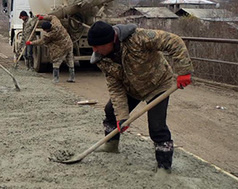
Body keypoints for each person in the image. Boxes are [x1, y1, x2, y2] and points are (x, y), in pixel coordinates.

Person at [87, 20, 193, 174]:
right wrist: (122, 116)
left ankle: (164, 166)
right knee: (111, 111)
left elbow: (173, 41)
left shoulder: (138, 38)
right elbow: (115, 87)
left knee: (157, 127)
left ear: (110, 41)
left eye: (97, 46)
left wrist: (184, 71)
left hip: (158, 84)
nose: (94, 50)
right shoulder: (102, 59)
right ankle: (111, 145)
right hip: (132, 88)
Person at [26, 14, 75, 83]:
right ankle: (72, 77)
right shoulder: (56, 23)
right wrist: (43, 17)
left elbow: (41, 41)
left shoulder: (50, 34)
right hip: (69, 43)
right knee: (70, 60)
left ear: (46, 29)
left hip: (61, 47)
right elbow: (52, 16)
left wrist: (31, 43)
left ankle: (56, 79)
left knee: (56, 61)